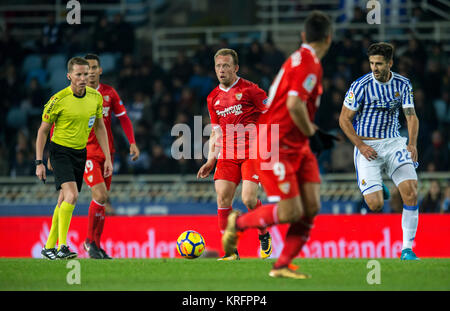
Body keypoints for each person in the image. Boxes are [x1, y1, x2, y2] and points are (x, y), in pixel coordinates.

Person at [221, 11, 333, 278]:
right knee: (291, 210)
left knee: (312, 205)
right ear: (328, 39)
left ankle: (281, 265)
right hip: (278, 142)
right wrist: (312, 132)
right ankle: (239, 223)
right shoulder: (309, 64)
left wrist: (309, 133)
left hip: (295, 142)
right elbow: (294, 105)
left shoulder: (299, 59)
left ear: (304, 35)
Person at [339, 42, 420, 260]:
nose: (374, 68)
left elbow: (411, 116)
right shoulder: (360, 86)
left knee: (411, 192)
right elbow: (344, 119)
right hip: (368, 147)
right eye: (372, 63)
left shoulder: (403, 84)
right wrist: (361, 146)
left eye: (379, 64)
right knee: (374, 205)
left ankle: (407, 249)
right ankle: (379, 184)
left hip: (394, 143)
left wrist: (411, 143)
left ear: (390, 63)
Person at [197, 48, 272, 260]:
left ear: (236, 68)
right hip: (227, 154)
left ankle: (264, 234)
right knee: (222, 197)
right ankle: (230, 252)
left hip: (252, 152)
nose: (222, 70)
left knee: (249, 199)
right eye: (218, 66)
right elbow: (216, 132)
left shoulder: (251, 90)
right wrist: (211, 159)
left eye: (226, 66)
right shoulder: (213, 98)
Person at [36, 57, 113, 260]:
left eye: (85, 74)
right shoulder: (57, 100)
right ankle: (62, 246)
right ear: (69, 76)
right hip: (60, 151)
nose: (82, 78)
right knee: (72, 196)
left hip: (80, 153)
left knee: (63, 199)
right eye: (78, 74)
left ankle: (48, 247)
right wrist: (40, 162)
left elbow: (100, 126)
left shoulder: (95, 98)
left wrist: (107, 158)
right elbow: (43, 131)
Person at [82, 53, 140, 259]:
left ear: (100, 70)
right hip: (86, 153)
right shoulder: (77, 95)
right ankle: (89, 241)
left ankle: (96, 245)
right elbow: (57, 122)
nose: (90, 72)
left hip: (108, 153)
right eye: (86, 69)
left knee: (103, 200)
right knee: (100, 196)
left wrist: (132, 142)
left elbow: (124, 118)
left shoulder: (109, 93)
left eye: (94, 68)